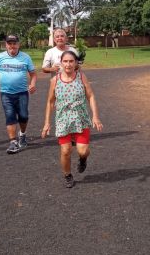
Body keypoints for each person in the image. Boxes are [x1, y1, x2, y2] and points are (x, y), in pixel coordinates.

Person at [41, 51, 103, 188]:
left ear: (75, 63)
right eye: (65, 61)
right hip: (63, 119)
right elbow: (50, 102)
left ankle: (82, 159)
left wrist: (95, 116)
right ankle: (67, 175)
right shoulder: (55, 80)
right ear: (61, 63)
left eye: (71, 61)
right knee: (66, 150)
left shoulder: (81, 77)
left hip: (80, 118)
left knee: (82, 151)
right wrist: (47, 123)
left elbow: (91, 96)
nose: (68, 64)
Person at [0, 34, 37, 154]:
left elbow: (33, 74)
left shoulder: (25, 57)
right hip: (6, 93)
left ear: (18, 44)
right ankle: (13, 142)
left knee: (23, 116)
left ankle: (22, 134)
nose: (12, 46)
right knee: (10, 116)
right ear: (6, 45)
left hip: (22, 93)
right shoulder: (0, 57)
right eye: (9, 43)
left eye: (14, 43)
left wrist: (32, 84)